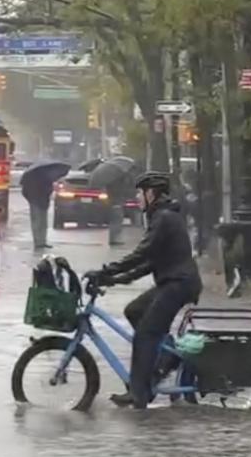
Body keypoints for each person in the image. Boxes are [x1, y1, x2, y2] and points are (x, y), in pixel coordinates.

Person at [86, 172, 202, 409]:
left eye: (140, 193)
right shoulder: (161, 216)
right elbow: (149, 263)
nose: (137, 198)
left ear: (151, 194)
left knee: (145, 334)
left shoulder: (164, 218)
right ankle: (166, 357)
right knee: (134, 310)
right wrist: (115, 279)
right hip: (172, 281)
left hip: (179, 284)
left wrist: (107, 271)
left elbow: (142, 254)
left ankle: (139, 393)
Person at [21, 171, 54, 250]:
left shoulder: (45, 179)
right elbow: (25, 192)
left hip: (40, 203)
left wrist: (30, 199)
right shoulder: (44, 179)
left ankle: (40, 241)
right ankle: (39, 242)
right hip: (38, 203)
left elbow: (24, 192)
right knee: (39, 223)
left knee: (40, 223)